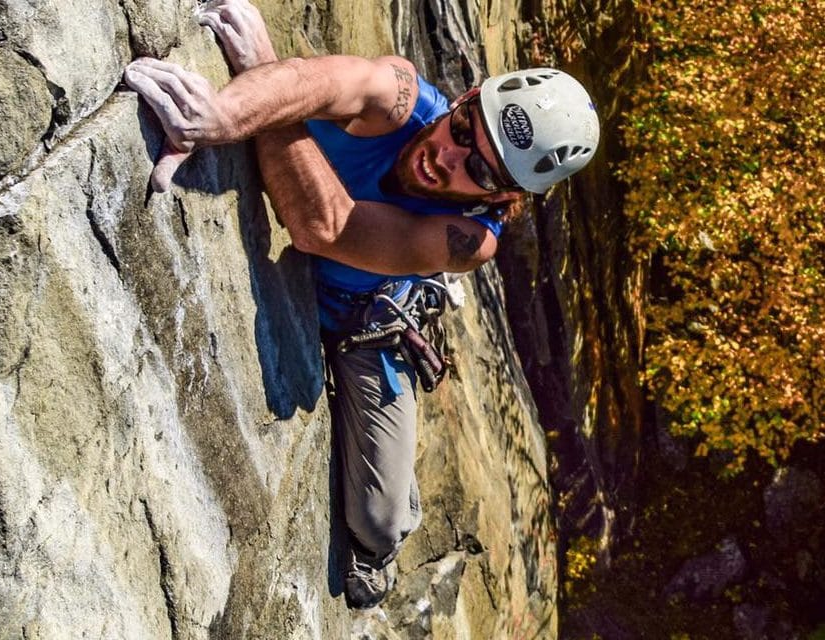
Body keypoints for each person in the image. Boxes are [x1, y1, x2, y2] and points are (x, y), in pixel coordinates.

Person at [124, 0, 599, 609]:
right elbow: (321, 81)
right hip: (337, 277)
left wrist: (262, 97)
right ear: (466, 97)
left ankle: (385, 545)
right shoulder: (400, 93)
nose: (447, 156)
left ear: (506, 195)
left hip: (363, 317)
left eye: (478, 168)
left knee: (377, 520)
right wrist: (220, 111)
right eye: (462, 129)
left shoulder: (468, 240)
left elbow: (325, 227)